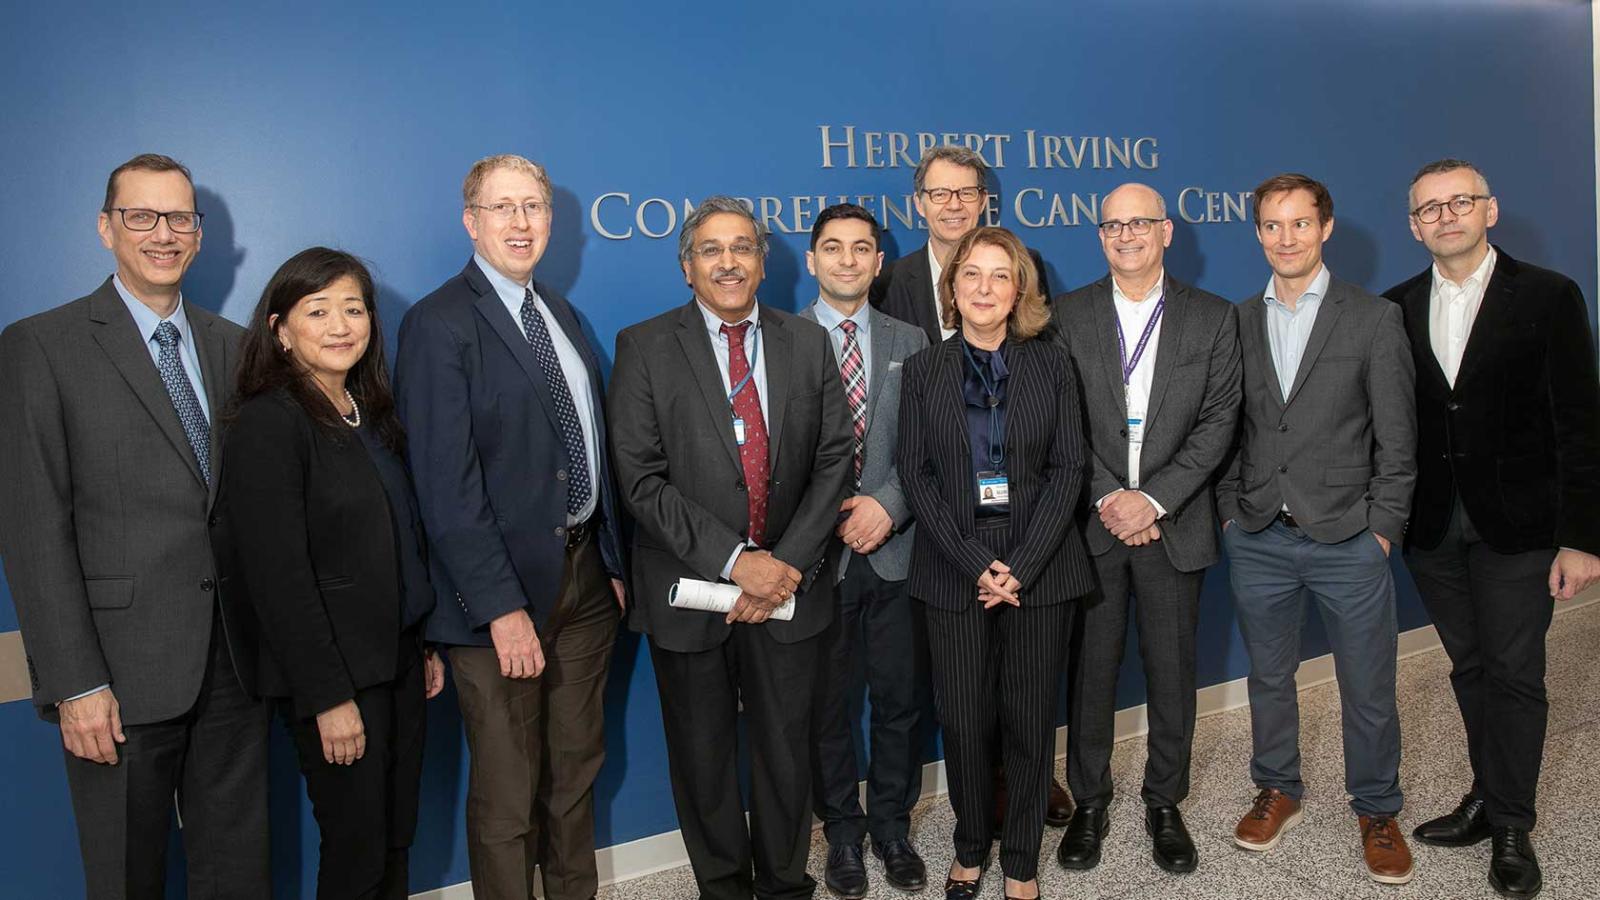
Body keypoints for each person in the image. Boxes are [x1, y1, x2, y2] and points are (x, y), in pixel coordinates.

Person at [0, 153, 269, 898]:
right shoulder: (41, 347)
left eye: (179, 217)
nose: (163, 233)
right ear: (105, 228)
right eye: (141, 216)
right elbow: (32, 527)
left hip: (235, 667)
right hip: (115, 675)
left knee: (239, 873)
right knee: (126, 877)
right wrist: (74, 680)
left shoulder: (234, 344)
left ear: (199, 233)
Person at [394, 154, 627, 900]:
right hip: (498, 603)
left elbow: (592, 443)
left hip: (585, 581)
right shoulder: (438, 324)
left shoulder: (560, 312)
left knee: (575, 772)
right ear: (471, 221)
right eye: (503, 208)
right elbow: (444, 486)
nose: (522, 222)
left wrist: (613, 563)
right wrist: (501, 609)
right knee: (506, 792)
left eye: (534, 207)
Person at [608, 196, 853, 900]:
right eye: (711, 249)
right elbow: (641, 478)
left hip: (789, 591)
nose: (728, 262)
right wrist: (735, 562)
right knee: (703, 758)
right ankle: (723, 888)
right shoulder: (645, 346)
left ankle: (782, 885)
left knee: (784, 752)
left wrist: (782, 568)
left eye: (742, 247)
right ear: (687, 266)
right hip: (692, 593)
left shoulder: (806, 343)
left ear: (762, 261)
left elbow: (834, 459)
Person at [1382, 158, 1600, 899]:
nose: (1445, 216)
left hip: (1522, 525)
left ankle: (1511, 823)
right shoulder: (1397, 307)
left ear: (1490, 210)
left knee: (1514, 672)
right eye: (1429, 209)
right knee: (1470, 667)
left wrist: (1583, 535)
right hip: (1435, 528)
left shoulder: (1547, 296)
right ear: (1413, 225)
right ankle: (1486, 793)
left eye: (1459, 202)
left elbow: (1579, 420)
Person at [212, 248, 443, 899]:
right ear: (281, 329)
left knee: (397, 834)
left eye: (354, 308)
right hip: (338, 678)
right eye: (320, 310)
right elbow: (277, 577)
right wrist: (327, 698)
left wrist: (419, 644)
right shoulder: (268, 421)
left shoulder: (369, 414)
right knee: (356, 847)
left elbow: (398, 541)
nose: (342, 324)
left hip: (396, 659)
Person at [1217, 173, 1418, 885]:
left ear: (1325, 228)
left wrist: (1382, 529)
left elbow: (1397, 438)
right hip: (1260, 535)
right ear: (1259, 234)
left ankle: (1377, 809)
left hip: (1349, 538)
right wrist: (1230, 516)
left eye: (1300, 224)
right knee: (1268, 675)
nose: (1286, 238)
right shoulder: (1235, 321)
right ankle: (1278, 788)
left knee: (1368, 684)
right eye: (1272, 225)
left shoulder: (1372, 318)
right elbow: (1223, 427)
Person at [871, 143, 1071, 833]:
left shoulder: (1026, 277)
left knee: (1026, 686)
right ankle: (968, 812)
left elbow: (1059, 444)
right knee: (950, 692)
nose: (953, 203)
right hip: (936, 533)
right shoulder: (888, 281)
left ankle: (1022, 788)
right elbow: (893, 433)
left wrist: (1017, 562)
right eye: (939, 192)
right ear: (918, 203)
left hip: (1024, 531)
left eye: (966, 192)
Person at [896, 226, 1091, 900]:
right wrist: (978, 562)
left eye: (999, 275)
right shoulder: (923, 370)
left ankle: (1022, 859)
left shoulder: (1052, 364)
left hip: (1043, 565)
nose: (983, 287)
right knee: (964, 720)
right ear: (951, 288)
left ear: (1019, 291)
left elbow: (1069, 469)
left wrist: (1022, 565)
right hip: (954, 568)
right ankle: (971, 846)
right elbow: (916, 476)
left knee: (1032, 722)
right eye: (970, 274)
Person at [1052, 183, 1241, 874]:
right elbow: (1061, 419)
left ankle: (1165, 801)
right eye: (1112, 225)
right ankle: (1091, 802)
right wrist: (1111, 499)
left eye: (1139, 223)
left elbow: (1219, 422)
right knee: (1091, 675)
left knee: (1171, 671)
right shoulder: (1067, 316)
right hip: (1096, 527)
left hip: (1173, 526)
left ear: (1166, 232)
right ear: (1100, 236)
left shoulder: (1214, 318)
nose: (1125, 234)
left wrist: (1153, 500)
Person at [799, 203, 931, 898]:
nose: (847, 259)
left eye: (861, 249)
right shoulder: (781, 339)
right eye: (832, 247)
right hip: (817, 563)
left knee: (899, 701)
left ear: (880, 262)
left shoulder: (914, 341)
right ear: (812, 259)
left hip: (896, 551)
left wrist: (890, 504)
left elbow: (935, 447)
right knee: (827, 707)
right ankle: (842, 836)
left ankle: (891, 826)